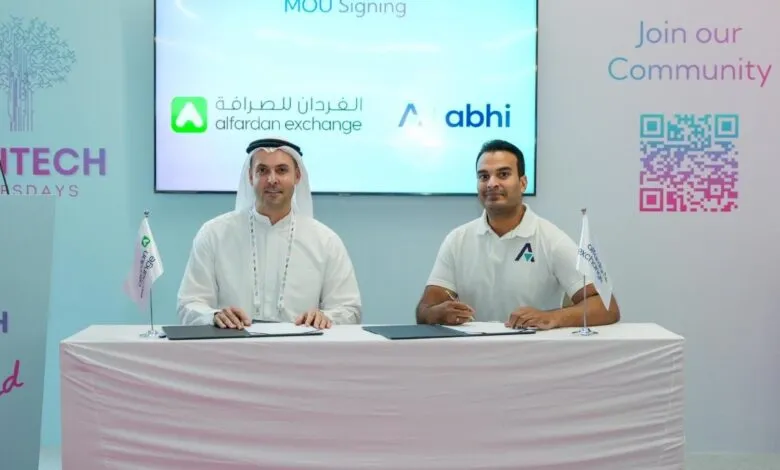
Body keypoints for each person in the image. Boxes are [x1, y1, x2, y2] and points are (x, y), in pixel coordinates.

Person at [415, 139, 620, 330]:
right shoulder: (457, 240)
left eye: (503, 174)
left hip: (535, 357)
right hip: (473, 357)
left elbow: (607, 306)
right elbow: (425, 309)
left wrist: (552, 317)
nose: (492, 184)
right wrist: (436, 313)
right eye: (484, 176)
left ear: (523, 183)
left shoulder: (550, 239)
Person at [177, 137, 362, 329]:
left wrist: (326, 317)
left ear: (297, 176)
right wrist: (213, 316)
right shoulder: (214, 234)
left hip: (303, 353)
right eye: (262, 171)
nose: (272, 179)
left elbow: (350, 309)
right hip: (234, 351)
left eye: (282, 170)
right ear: (250, 177)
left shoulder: (325, 241)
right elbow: (189, 304)